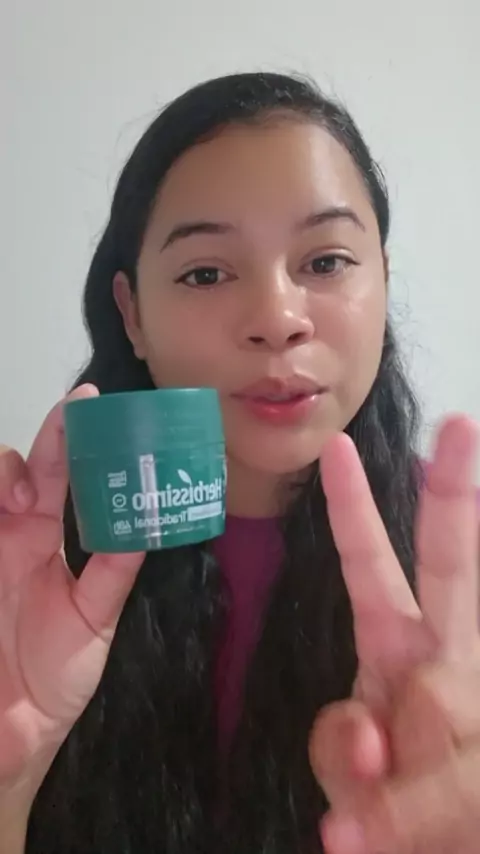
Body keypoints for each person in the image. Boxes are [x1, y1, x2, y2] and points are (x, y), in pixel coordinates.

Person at [0, 71, 478, 854]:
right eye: (206, 272)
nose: (277, 319)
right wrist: (10, 782)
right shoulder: (32, 573)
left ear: (384, 279)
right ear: (132, 314)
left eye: (326, 262)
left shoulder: (460, 579)